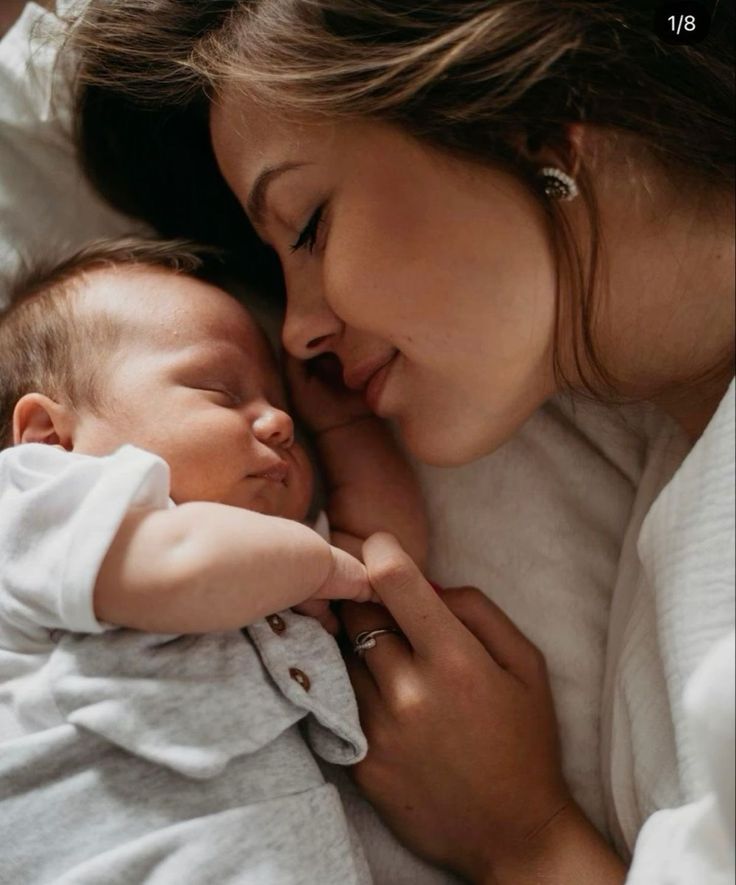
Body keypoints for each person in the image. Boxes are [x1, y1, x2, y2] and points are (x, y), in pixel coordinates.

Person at [65, 2, 735, 883]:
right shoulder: (673, 485)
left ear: (539, 120)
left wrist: (523, 838)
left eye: (308, 226)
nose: (297, 331)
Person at [0, 236, 427, 884]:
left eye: (279, 400)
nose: (280, 420)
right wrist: (316, 566)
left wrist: (340, 425)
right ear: (52, 438)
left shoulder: (273, 552)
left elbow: (386, 560)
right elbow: (183, 568)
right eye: (222, 392)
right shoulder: (43, 510)